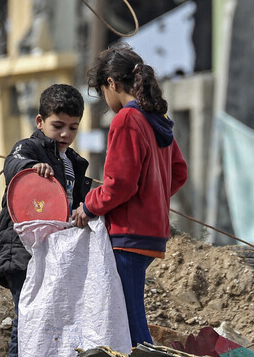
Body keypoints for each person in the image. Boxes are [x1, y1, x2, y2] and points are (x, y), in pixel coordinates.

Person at [71, 43, 188, 347]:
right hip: (152, 233)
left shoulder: (126, 119)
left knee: (131, 322)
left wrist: (88, 206)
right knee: (128, 316)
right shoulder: (156, 118)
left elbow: (120, 184)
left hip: (128, 235)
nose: (106, 100)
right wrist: (152, 198)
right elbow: (178, 172)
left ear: (111, 83)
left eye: (102, 92)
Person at [0, 83, 93, 357]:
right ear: (40, 121)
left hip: (54, 254)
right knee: (27, 319)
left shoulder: (74, 162)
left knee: (48, 320)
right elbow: (13, 164)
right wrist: (31, 167)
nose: (65, 134)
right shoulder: (28, 148)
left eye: (73, 127)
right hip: (24, 254)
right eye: (57, 125)